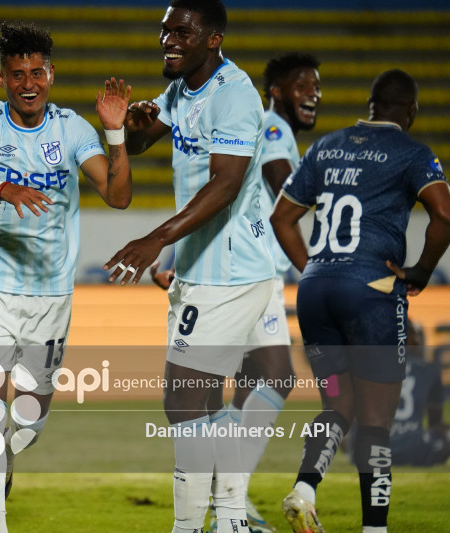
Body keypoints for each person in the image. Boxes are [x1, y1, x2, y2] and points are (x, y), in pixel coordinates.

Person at [0, 21, 132, 533]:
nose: (28, 84)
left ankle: (7, 447)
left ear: (51, 74)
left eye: (37, 73)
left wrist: (115, 134)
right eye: (17, 74)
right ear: (2, 78)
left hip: (50, 293)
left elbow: (118, 196)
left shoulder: (72, 129)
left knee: (29, 418)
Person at [105, 1, 274, 531]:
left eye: (182, 31)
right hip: (205, 268)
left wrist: (156, 239)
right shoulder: (180, 90)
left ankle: (190, 525)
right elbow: (139, 142)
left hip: (230, 271)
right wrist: (124, 127)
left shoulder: (234, 94)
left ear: (213, 39)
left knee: (180, 401)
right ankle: (231, 519)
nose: (169, 41)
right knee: (201, 402)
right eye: (164, 31)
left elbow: (226, 184)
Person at [270, 69, 450, 533]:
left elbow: (282, 217)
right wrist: (422, 270)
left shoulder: (326, 146)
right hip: (371, 295)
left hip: (316, 294)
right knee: (375, 421)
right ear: (411, 111)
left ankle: (305, 489)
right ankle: (375, 528)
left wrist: (317, 271)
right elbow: (445, 215)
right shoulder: (412, 152)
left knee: (337, 405)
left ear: (371, 105)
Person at [149, 52, 322, 533]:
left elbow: (219, 192)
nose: (314, 93)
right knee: (232, 386)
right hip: (240, 272)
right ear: (278, 91)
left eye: (317, 86)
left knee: (246, 384)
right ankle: (228, 504)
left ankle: (228, 504)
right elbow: (278, 187)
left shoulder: (264, 123)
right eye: (303, 85)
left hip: (248, 270)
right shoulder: (271, 127)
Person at [346, 321, 450, 467]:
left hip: (369, 451)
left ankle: (354, 449)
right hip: (414, 449)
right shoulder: (429, 369)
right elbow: (435, 422)